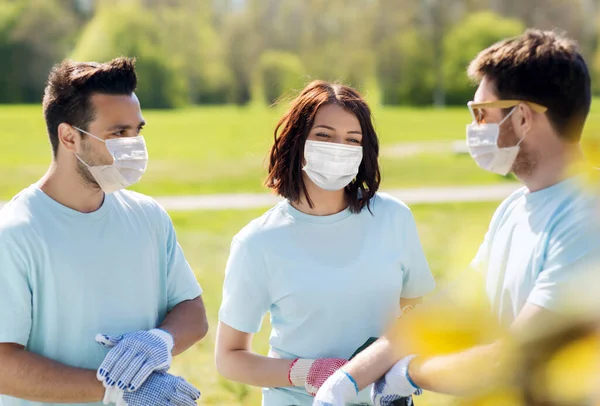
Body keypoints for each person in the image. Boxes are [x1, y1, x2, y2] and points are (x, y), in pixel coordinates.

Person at [313, 28, 600, 406]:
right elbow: (445, 311)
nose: (475, 128)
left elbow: (512, 360)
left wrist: (409, 374)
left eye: (482, 114)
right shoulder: (515, 208)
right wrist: (347, 380)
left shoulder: (586, 219)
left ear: (524, 118)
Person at [0, 57, 208, 406]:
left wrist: (162, 339)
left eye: (136, 131)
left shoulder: (148, 217)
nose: (133, 146)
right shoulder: (16, 234)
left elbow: (192, 310)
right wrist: (113, 388)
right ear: (69, 137)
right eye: (117, 133)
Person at [215, 80, 436, 405]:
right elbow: (229, 357)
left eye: (352, 140)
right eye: (324, 135)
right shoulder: (258, 242)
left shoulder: (394, 218)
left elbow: (416, 318)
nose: (339, 148)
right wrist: (307, 372)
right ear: (297, 141)